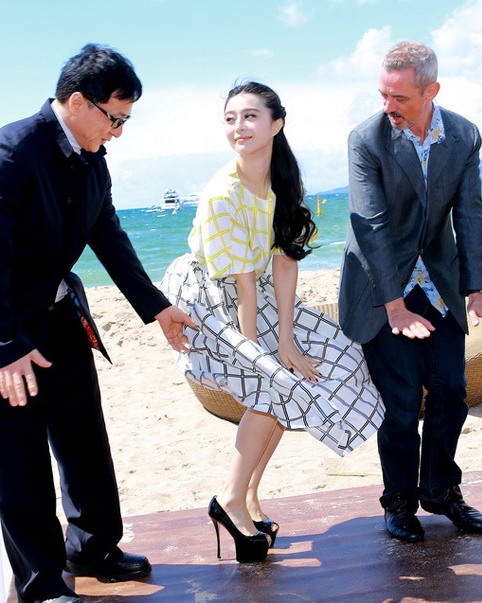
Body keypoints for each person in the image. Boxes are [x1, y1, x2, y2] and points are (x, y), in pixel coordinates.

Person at [0, 44, 195, 603]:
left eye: (126, 120)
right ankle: (42, 583)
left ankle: (94, 548)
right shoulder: (8, 153)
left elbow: (107, 235)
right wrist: (5, 349)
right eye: (116, 118)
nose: (120, 132)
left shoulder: (90, 155)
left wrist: (155, 305)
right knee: (19, 461)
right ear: (77, 102)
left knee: (84, 440)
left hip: (57, 314)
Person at [160, 81, 384, 563]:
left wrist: (287, 335)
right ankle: (230, 499)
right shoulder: (225, 192)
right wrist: (268, 350)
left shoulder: (282, 180)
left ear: (276, 123)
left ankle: (247, 498)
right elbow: (240, 284)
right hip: (212, 293)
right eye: (230, 118)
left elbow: (285, 260)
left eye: (250, 116)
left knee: (335, 355)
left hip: (258, 287)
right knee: (274, 384)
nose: (238, 127)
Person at [338, 41, 482, 543]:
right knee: (399, 404)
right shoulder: (365, 139)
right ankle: (399, 502)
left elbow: (470, 212)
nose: (388, 107)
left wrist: (477, 290)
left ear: (431, 90)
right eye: (382, 95)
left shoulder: (463, 135)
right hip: (381, 288)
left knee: (452, 395)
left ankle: (441, 491)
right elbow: (371, 224)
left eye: (399, 97)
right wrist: (393, 304)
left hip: (437, 284)